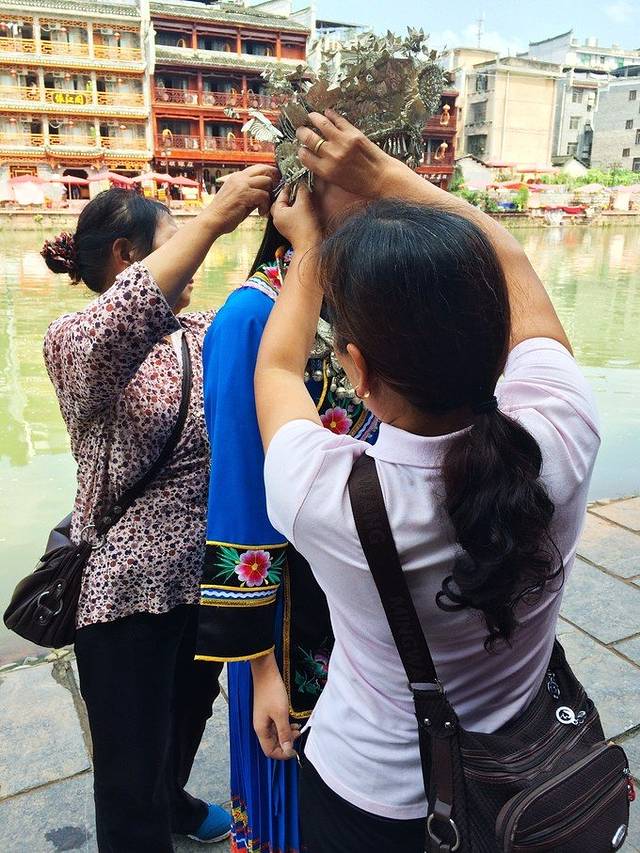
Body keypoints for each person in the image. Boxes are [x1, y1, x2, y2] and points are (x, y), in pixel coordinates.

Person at [254, 111, 600, 852]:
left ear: (358, 370)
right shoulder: (562, 430)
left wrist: (309, 249)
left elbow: (276, 369)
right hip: (524, 764)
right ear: (499, 336)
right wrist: (387, 178)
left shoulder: (326, 498)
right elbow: (510, 257)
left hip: (372, 801)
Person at [41, 169, 276, 853]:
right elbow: (120, 321)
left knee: (187, 713)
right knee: (127, 765)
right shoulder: (72, 340)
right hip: (126, 595)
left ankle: (172, 800)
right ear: (126, 254)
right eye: (179, 242)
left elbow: (263, 313)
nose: (196, 259)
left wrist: (282, 227)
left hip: (204, 580)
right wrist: (215, 217)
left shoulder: (197, 330)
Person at [195, 195, 378, 853]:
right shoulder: (249, 318)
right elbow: (240, 497)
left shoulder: (356, 298)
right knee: (292, 777)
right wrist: (261, 667)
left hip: (362, 596)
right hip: (290, 611)